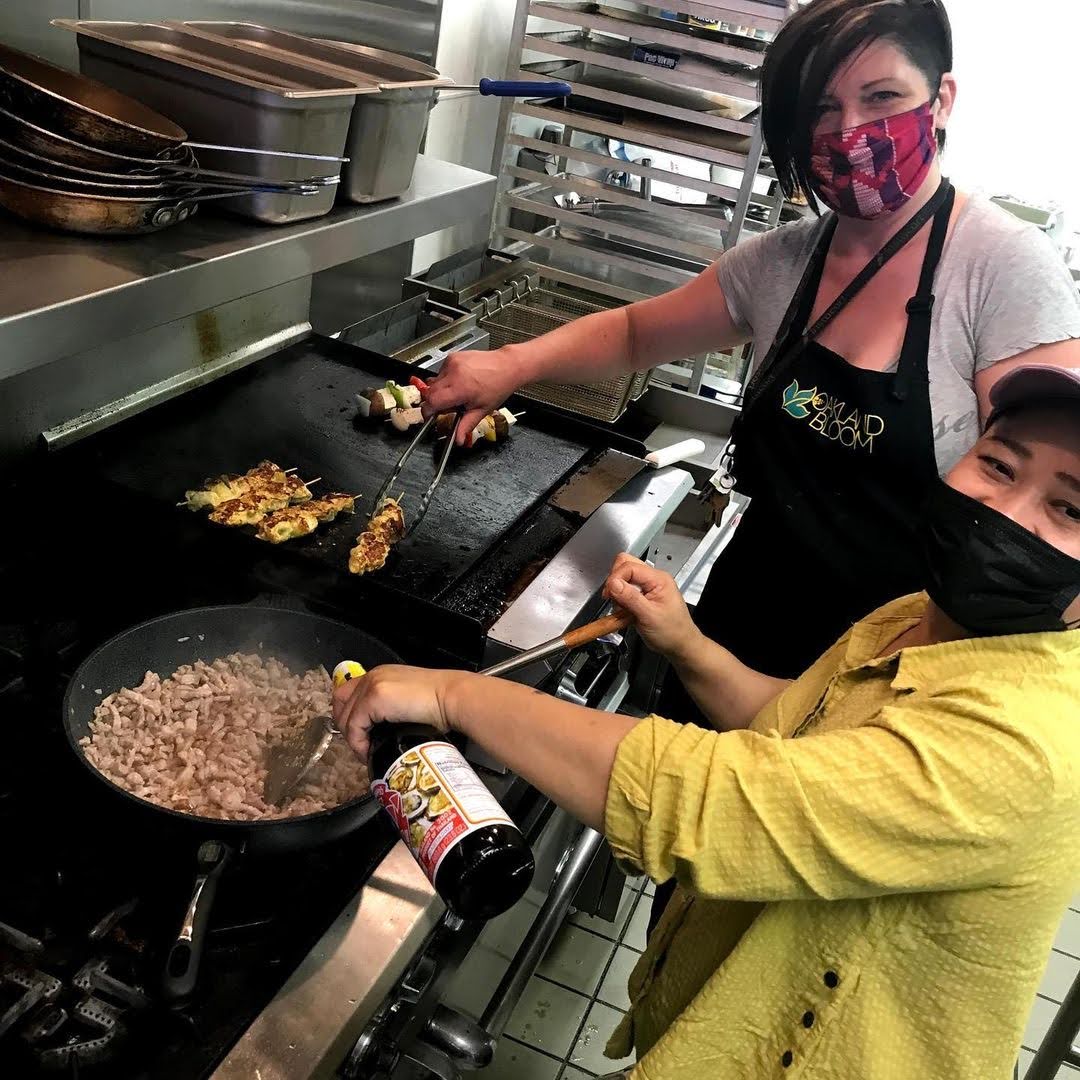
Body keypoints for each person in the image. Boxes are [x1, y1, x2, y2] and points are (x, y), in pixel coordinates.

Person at [423, 0, 1080, 935]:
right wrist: (507, 365)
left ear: (942, 100)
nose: (850, 134)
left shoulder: (1001, 271)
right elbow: (640, 330)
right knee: (694, 905)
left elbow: (1052, 484)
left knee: (794, 932)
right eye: (820, 109)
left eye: (881, 96)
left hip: (893, 665)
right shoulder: (786, 263)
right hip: (746, 619)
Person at [335, 365, 1080, 1080]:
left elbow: (724, 804)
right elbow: (789, 729)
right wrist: (685, 643)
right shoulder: (921, 618)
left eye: (1071, 509)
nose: (1005, 516)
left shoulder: (1030, 743)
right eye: (1000, 466)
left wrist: (454, 696)